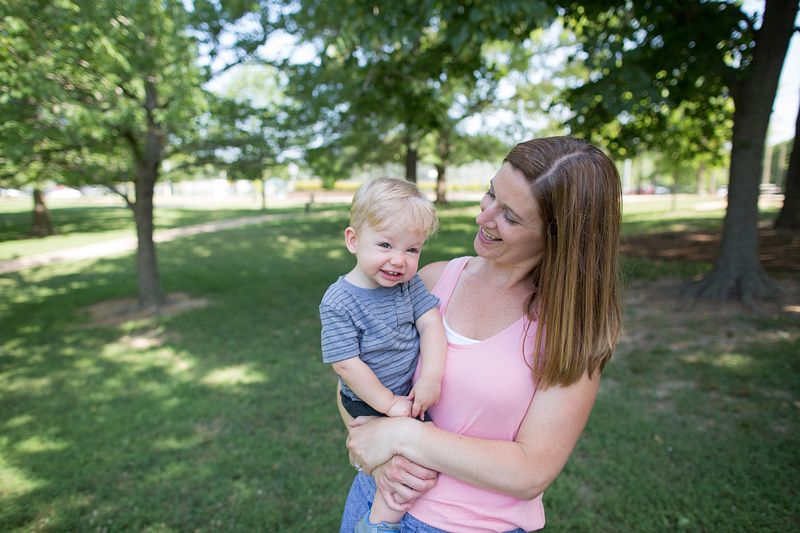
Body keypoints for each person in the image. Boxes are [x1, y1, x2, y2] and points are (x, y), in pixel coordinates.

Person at [338, 136, 622, 532]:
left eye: (510, 216)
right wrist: (380, 460)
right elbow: (353, 380)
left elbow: (531, 471)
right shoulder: (431, 281)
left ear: (558, 236)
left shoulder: (570, 334)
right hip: (371, 504)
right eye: (491, 194)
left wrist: (402, 436)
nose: (484, 217)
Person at [320, 177, 448, 532]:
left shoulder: (408, 285)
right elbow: (346, 363)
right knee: (404, 466)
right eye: (386, 245)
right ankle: (378, 523)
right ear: (353, 240)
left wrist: (430, 376)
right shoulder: (339, 301)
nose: (399, 260)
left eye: (412, 250)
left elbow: (430, 323)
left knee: (420, 458)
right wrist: (389, 404)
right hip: (369, 399)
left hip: (404, 391)